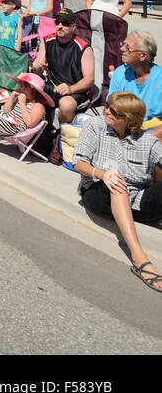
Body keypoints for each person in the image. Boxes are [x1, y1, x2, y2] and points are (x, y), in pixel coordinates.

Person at [71, 91, 162, 293]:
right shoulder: (95, 125)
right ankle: (140, 260)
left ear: (128, 119)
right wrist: (102, 174)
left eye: (114, 111)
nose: (107, 112)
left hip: (136, 201)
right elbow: (78, 162)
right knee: (116, 180)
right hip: (98, 193)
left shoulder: (147, 141)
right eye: (107, 107)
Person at [32, 10, 97, 125]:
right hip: (53, 88)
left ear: (73, 27)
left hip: (76, 92)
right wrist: (36, 66)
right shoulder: (47, 41)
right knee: (25, 91)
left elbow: (89, 80)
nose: (60, 26)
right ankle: (31, 134)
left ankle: (61, 136)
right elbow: (38, 71)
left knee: (66, 105)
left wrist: (70, 89)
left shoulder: (84, 48)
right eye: (57, 22)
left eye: (65, 23)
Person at [0, 72, 52, 147]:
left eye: (24, 86)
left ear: (35, 91)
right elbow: (6, 111)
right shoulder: (23, 99)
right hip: (6, 121)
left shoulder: (38, 105)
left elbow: (30, 123)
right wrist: (12, 98)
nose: (21, 88)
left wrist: (22, 104)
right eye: (21, 85)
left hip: (16, 127)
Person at [107, 31, 162, 120]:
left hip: (152, 129)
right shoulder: (120, 73)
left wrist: (149, 133)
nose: (121, 49)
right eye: (123, 44)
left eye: (128, 48)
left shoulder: (159, 78)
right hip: (123, 125)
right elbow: (109, 106)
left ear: (143, 55)